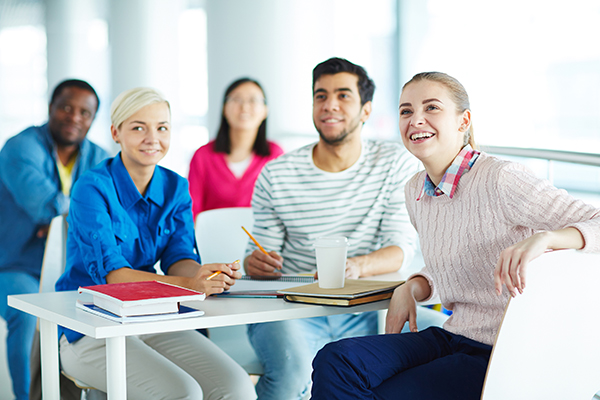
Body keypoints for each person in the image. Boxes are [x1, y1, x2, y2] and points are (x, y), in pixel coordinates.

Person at [310, 72, 600, 400]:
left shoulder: (501, 178)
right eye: (406, 111)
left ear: (464, 121)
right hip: (454, 336)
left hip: (504, 353)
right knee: (336, 360)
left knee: (384, 394)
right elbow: (456, 257)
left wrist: (548, 238)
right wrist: (412, 286)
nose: (416, 119)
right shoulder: (415, 189)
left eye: (431, 108)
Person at [243, 58, 448, 400]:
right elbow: (259, 253)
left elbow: (400, 248)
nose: (330, 105)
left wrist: (354, 267)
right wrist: (256, 262)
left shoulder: (394, 164)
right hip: (292, 307)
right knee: (294, 375)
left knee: (446, 344)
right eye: (320, 96)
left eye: (343, 95)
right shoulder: (276, 174)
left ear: (366, 110)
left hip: (366, 306)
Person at [55, 87, 256, 400]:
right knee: (182, 392)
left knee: (237, 387)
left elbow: (179, 255)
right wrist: (189, 284)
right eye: (138, 128)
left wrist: (202, 276)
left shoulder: (175, 186)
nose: (153, 138)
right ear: (115, 133)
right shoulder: (91, 188)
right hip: (89, 327)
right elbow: (114, 277)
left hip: (152, 317)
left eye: (162, 127)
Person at [0, 79, 108, 400]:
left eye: (85, 112)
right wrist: (77, 215)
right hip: (16, 265)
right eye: (66, 107)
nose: (74, 117)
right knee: (30, 312)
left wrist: (62, 220)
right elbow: (46, 205)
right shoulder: (20, 148)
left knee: (103, 315)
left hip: (73, 271)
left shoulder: (98, 157)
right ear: (50, 108)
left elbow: (109, 215)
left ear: (92, 120)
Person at [188, 78, 283, 219]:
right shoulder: (203, 156)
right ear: (224, 108)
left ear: (265, 111)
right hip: (212, 238)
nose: (244, 107)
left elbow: (282, 208)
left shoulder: (275, 154)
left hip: (260, 240)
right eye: (237, 99)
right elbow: (191, 210)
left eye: (253, 100)